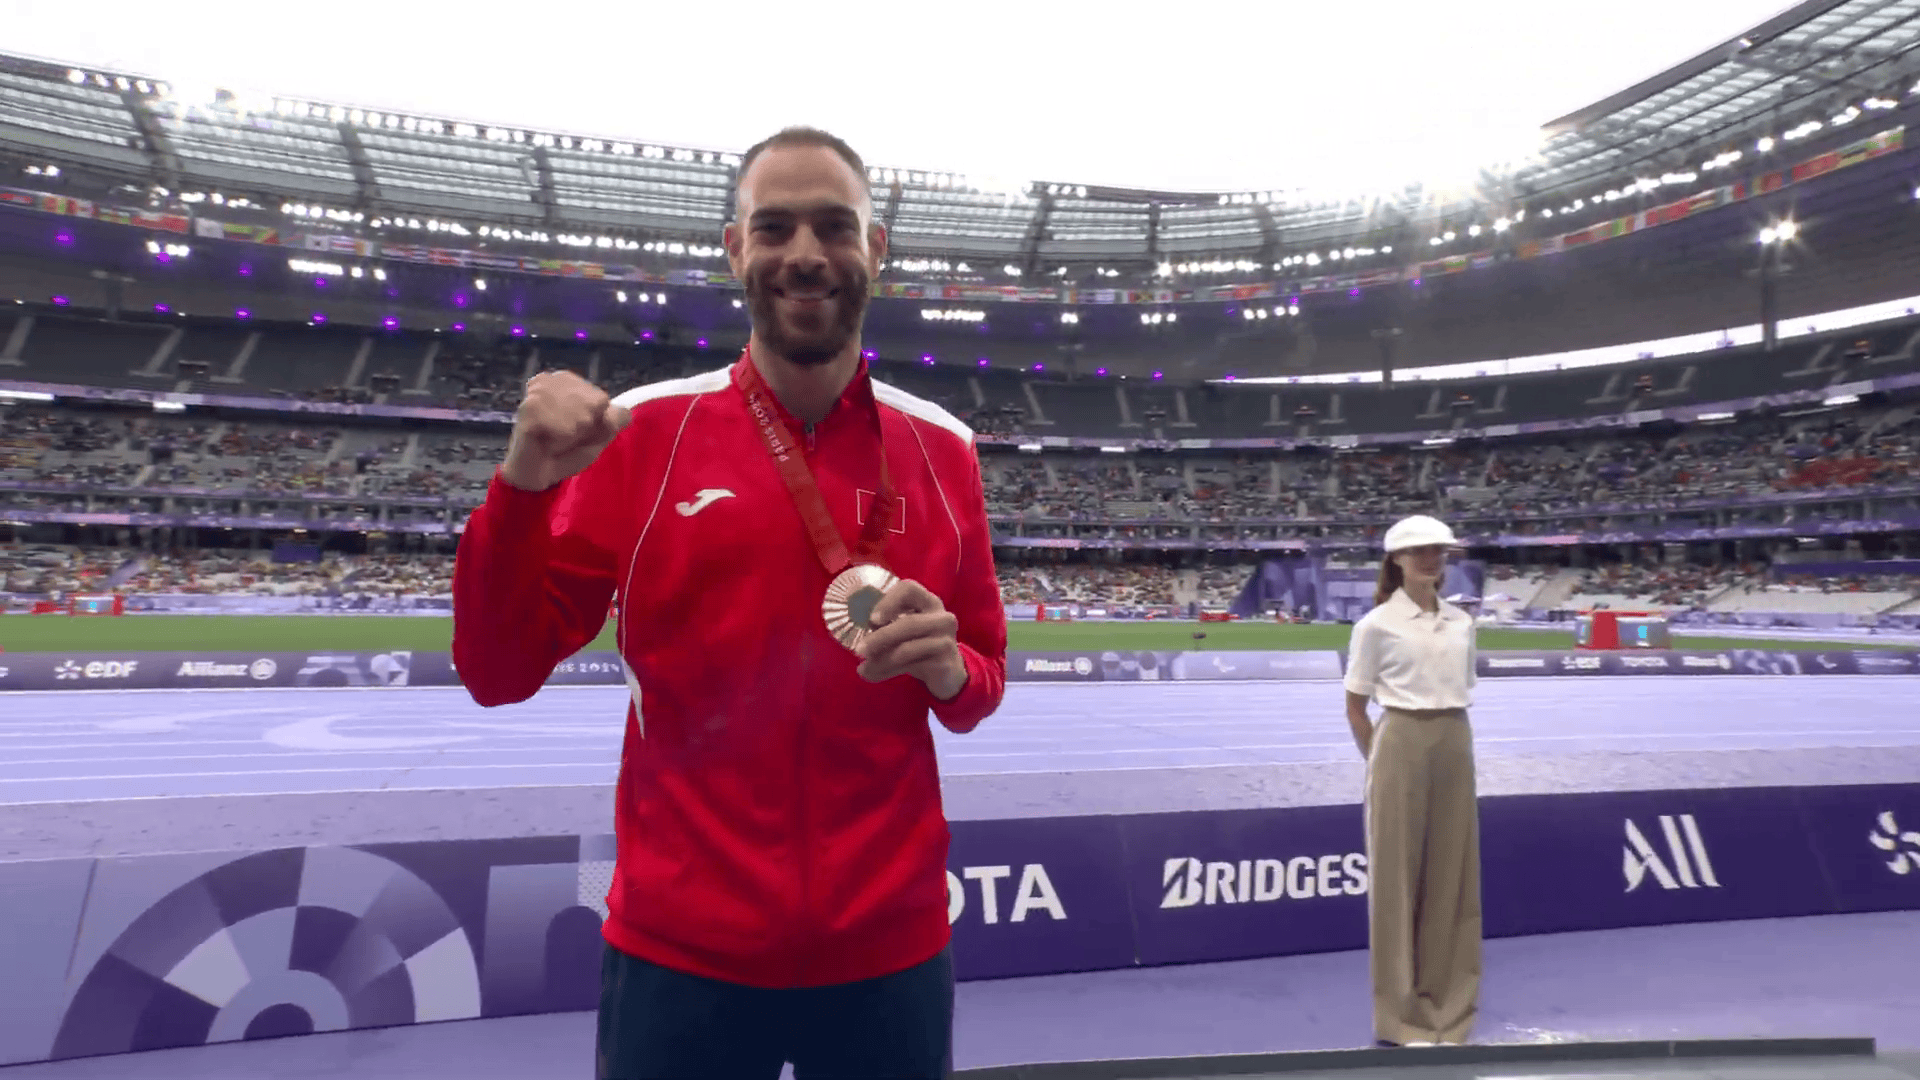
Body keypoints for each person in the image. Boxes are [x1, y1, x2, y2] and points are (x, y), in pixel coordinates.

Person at [451, 126, 1008, 1079]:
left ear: (876, 249)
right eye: (775, 226)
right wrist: (523, 490)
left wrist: (953, 671)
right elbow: (497, 674)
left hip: (890, 954)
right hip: (681, 960)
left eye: (834, 227)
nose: (804, 254)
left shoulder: (943, 448)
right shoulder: (646, 431)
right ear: (734, 249)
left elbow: (983, 680)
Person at [1341, 514, 1480, 1048]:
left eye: (1439, 551)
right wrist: (1379, 762)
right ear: (1396, 559)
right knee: (1397, 882)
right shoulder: (1375, 625)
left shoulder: (1463, 624)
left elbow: (1461, 687)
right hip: (1398, 738)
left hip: (1455, 738)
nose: (1431, 558)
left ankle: (1449, 1004)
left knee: (1454, 875)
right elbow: (1356, 705)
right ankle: (1402, 1018)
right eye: (1419, 550)